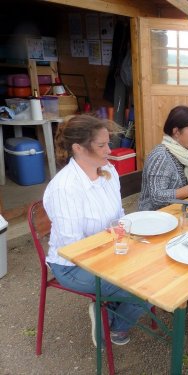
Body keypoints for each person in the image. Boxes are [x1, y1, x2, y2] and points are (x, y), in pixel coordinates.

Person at [43, 114, 150, 346]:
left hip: (106, 250)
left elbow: (118, 215)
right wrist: (120, 257)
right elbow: (73, 249)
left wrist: (127, 241)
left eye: (108, 143)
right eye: (102, 145)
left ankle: (108, 312)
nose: (109, 150)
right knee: (147, 286)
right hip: (72, 266)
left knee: (155, 264)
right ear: (78, 148)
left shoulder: (108, 171)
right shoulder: (65, 188)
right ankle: (114, 326)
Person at [139, 106, 188, 211]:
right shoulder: (160, 157)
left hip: (178, 210)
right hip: (155, 217)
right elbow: (156, 197)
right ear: (176, 132)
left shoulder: (184, 153)